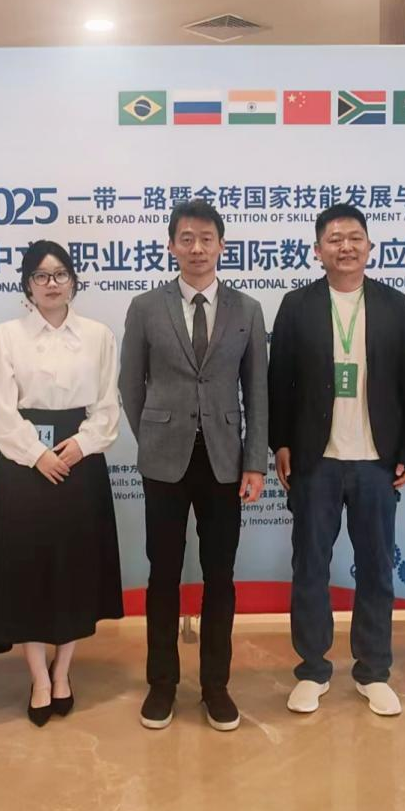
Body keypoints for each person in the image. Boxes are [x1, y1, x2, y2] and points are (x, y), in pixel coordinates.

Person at [269, 203, 405, 718]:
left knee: (377, 566)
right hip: (315, 460)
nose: (346, 247)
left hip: (377, 461)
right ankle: (312, 669)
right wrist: (280, 443)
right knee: (310, 566)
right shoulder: (297, 305)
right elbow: (279, 381)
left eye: (355, 237)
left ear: (369, 246)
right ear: (318, 250)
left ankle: (373, 670)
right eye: (334, 239)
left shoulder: (395, 305)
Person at [119, 200, 268, 732]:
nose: (197, 248)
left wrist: (255, 461)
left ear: (222, 245)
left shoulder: (247, 309)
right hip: (164, 460)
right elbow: (129, 383)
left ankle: (215, 686)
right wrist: (154, 435)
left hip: (225, 460)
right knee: (162, 573)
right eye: (186, 238)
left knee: (219, 576)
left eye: (207, 239)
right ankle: (161, 683)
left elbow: (257, 390)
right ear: (171, 245)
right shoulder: (145, 307)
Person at [0, 241, 124, 726]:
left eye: (60, 274)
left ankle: (62, 672)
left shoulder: (97, 335)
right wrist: (35, 454)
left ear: (73, 280)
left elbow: (107, 405)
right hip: (24, 462)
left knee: (72, 571)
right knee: (27, 571)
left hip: (78, 457)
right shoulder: (8, 336)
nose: (51, 283)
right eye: (41, 276)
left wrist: (82, 444)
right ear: (27, 285)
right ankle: (38, 678)